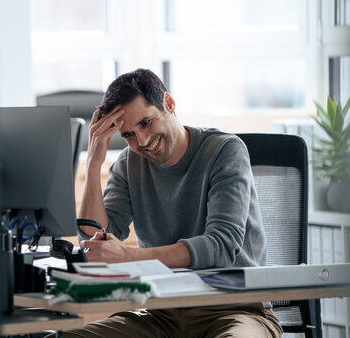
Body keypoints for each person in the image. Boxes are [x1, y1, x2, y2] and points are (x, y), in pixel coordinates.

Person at [60, 69, 282, 337]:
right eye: (128, 134)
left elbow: (221, 246)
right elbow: (96, 236)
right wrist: (94, 163)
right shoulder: (128, 164)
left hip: (233, 309)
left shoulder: (224, 151)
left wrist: (129, 256)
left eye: (146, 123)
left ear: (169, 103)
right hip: (160, 313)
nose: (142, 141)